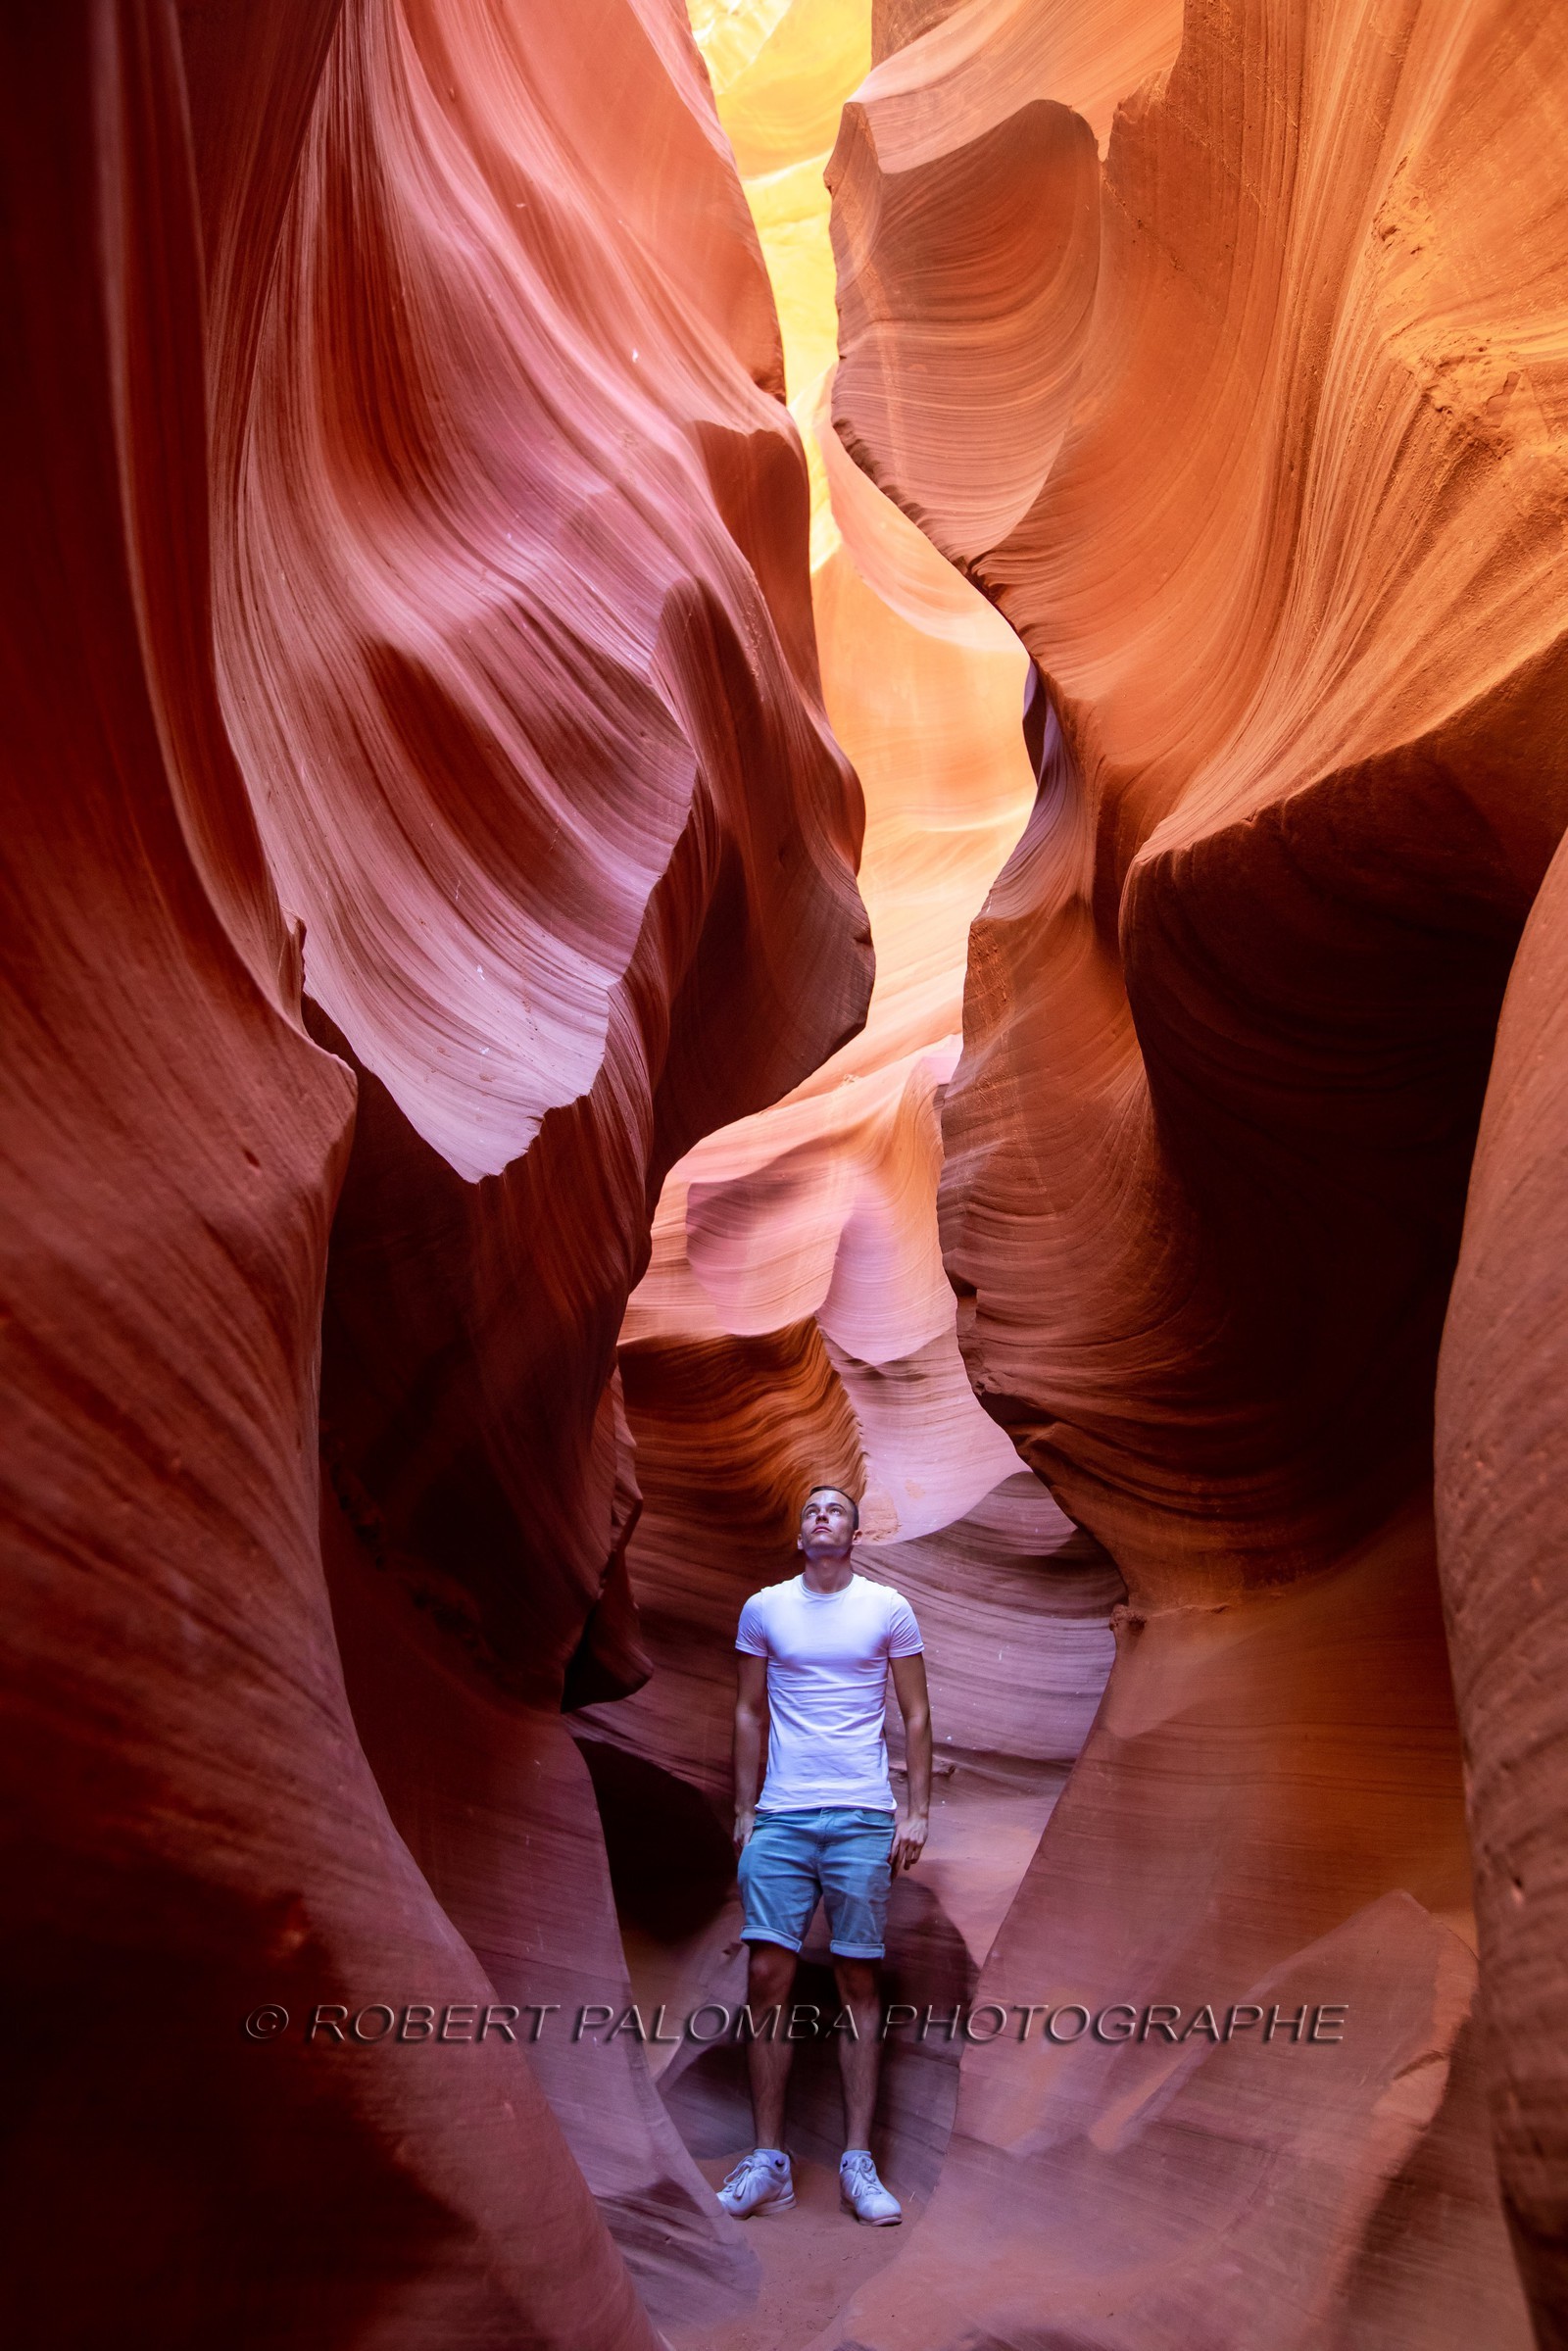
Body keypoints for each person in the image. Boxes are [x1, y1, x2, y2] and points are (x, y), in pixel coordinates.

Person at [716, 1484, 932, 2228]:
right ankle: (770, 2160)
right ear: (799, 1531)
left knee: (857, 1979)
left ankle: (856, 2161)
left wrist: (919, 1810)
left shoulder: (887, 1608)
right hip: (783, 1812)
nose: (821, 1517)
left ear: (855, 1529)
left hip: (863, 1814)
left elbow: (916, 1712)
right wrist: (745, 1808)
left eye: (834, 1509)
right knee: (767, 1974)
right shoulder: (764, 1607)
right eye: (810, 1510)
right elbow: (748, 1709)